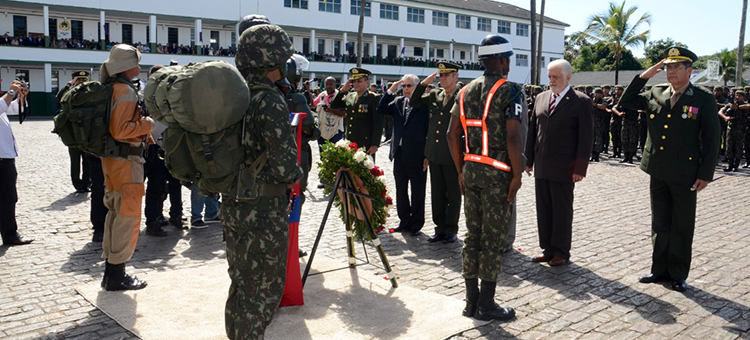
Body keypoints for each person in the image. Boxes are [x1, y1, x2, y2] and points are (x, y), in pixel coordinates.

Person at [619, 47, 720, 292]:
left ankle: (677, 272)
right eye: (667, 67)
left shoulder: (702, 98)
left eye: (676, 67)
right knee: (660, 222)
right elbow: (626, 102)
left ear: (689, 71)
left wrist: (705, 173)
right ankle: (658, 269)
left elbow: (712, 138)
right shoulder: (656, 92)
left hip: (686, 172)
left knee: (682, 224)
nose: (670, 71)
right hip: (658, 169)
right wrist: (645, 76)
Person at [226, 23, 302, 340]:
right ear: (274, 59)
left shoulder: (233, 96)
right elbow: (285, 167)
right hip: (264, 208)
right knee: (264, 289)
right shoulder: (269, 101)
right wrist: (296, 175)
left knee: (243, 283)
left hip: (233, 203)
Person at [447, 34, 524, 321]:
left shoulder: (464, 91)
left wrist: (460, 170)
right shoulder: (510, 90)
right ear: (504, 61)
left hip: (471, 170)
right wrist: (516, 175)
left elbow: (451, 134)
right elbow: (514, 136)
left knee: (472, 236)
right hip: (497, 173)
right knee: (492, 239)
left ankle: (470, 302)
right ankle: (487, 304)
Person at [525, 59, 594, 267]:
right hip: (543, 165)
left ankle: (561, 251)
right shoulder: (541, 98)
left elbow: (586, 137)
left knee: (561, 211)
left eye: (556, 77)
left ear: (568, 78)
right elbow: (533, 130)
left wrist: (580, 168)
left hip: (565, 167)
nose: (551, 80)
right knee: (544, 209)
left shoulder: (581, 101)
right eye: (549, 76)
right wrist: (528, 159)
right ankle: (547, 248)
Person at [98, 44, 155, 291]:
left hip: (112, 160)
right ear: (126, 66)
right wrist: (148, 125)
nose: (139, 66)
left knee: (114, 212)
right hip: (126, 160)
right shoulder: (125, 90)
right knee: (127, 216)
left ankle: (111, 270)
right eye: (136, 62)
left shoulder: (110, 88)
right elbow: (120, 130)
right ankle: (117, 274)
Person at [410, 62, 463, 244]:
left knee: (453, 194)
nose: (442, 79)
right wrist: (425, 83)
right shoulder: (434, 95)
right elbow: (414, 101)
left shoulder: (462, 96)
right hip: (434, 152)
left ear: (455, 77)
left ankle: (451, 229)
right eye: (440, 75)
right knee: (437, 194)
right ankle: (439, 228)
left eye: (446, 75)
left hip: (453, 153)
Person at [377, 74, 429, 237]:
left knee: (417, 190)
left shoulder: (424, 104)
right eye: (404, 86)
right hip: (399, 153)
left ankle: (416, 224)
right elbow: (381, 109)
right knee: (401, 189)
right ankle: (404, 220)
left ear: (416, 87)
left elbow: (428, 130)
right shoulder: (398, 102)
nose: (405, 89)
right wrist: (391, 91)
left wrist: (427, 155)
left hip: (417, 154)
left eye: (409, 86)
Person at [143, 65, 184, 236]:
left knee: (176, 184)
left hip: (172, 146)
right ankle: (153, 220)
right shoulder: (144, 95)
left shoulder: (172, 93)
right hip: (154, 147)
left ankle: (176, 215)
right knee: (155, 185)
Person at [0, 80, 34, 246]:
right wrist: (11, 92)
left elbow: (15, 109)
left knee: (9, 198)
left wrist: (20, 97)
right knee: (7, 198)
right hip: (1, 159)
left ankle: (10, 234)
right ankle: (9, 234)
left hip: (5, 157)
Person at [330, 68, 383, 160]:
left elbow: (378, 123)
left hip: (365, 142)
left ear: (367, 82)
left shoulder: (373, 98)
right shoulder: (350, 96)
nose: (356, 84)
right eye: (354, 81)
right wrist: (342, 91)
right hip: (350, 140)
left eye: (359, 81)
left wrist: (375, 144)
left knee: (364, 171)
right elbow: (334, 105)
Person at [59, 71, 92, 193]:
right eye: (79, 80)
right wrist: (69, 85)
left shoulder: (89, 93)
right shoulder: (68, 93)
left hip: (86, 131)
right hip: (72, 132)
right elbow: (59, 97)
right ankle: (77, 184)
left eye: (84, 80)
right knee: (75, 160)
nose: (82, 83)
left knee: (87, 160)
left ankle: (87, 183)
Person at [719, 91, 748, 172]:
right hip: (730, 129)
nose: (737, 97)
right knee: (729, 147)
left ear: (743, 97)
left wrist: (738, 107)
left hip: (740, 130)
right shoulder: (731, 105)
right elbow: (720, 111)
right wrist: (725, 117)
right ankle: (730, 165)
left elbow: (748, 106)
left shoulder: (745, 105)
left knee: (738, 147)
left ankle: (736, 165)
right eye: (736, 95)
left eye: (739, 96)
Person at [314, 77, 343, 151]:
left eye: (331, 84)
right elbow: (313, 104)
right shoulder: (322, 95)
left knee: (334, 156)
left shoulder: (340, 96)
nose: (329, 86)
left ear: (335, 85)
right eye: (327, 84)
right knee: (323, 155)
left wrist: (331, 110)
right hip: (322, 131)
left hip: (336, 132)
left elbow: (344, 113)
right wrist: (308, 90)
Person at [613, 85, 640, 163]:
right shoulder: (624, 100)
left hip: (633, 122)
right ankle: (626, 156)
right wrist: (619, 113)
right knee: (624, 140)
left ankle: (631, 157)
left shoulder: (636, 100)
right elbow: (615, 107)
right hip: (625, 122)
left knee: (632, 140)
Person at [591, 88, 608, 162]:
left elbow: (603, 106)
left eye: (598, 93)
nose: (596, 94)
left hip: (599, 123)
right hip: (592, 123)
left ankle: (597, 155)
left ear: (601, 94)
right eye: (595, 93)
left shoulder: (603, 100)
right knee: (592, 139)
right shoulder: (592, 100)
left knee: (598, 139)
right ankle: (592, 155)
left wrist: (595, 105)